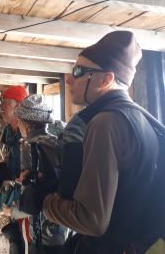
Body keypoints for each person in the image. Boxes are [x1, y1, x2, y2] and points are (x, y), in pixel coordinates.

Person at [21, 31, 164, 253]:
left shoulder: (105, 123)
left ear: (106, 79)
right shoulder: (143, 118)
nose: (69, 79)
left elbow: (92, 221)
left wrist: (43, 201)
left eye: (79, 71)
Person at [2, 94, 68, 254]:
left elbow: (32, 202)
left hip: (43, 229)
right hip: (63, 223)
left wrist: (11, 211)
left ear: (24, 122)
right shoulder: (58, 143)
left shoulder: (30, 147)